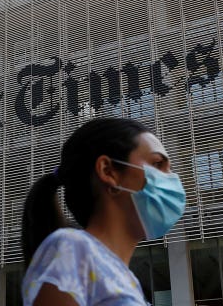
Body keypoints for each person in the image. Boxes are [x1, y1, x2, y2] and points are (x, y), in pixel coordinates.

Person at [21, 118, 186, 306]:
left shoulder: (125, 279)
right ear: (108, 171)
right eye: (157, 164)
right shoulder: (73, 248)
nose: (172, 178)